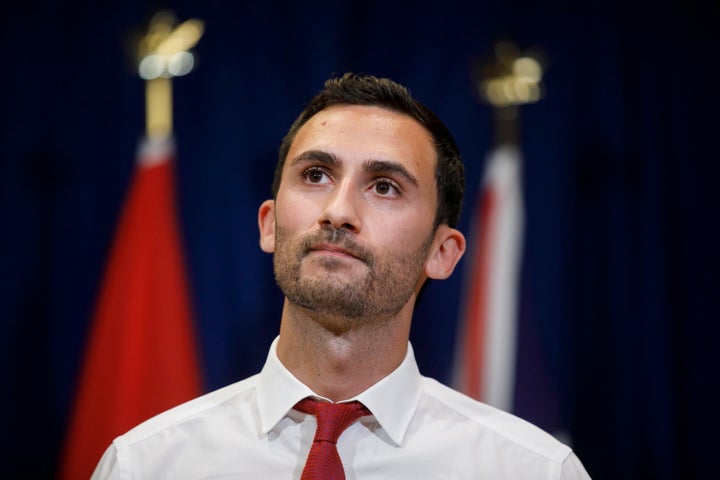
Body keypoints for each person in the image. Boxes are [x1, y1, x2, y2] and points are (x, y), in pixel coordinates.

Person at [91, 72, 590, 479]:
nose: (338, 210)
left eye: (385, 186)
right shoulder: (145, 464)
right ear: (268, 224)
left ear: (443, 252)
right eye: (316, 175)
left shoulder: (533, 470)